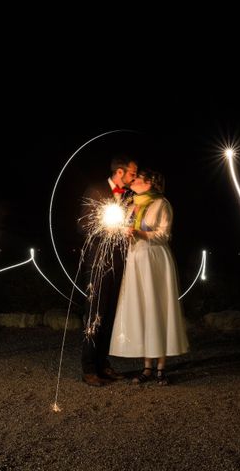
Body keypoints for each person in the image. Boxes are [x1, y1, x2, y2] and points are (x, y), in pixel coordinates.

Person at [109, 169, 189, 385]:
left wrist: (141, 233)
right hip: (135, 258)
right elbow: (124, 226)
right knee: (143, 308)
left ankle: (161, 367)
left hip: (155, 259)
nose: (132, 181)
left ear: (150, 184)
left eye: (137, 179)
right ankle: (146, 367)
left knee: (157, 307)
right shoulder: (133, 204)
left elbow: (164, 234)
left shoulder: (162, 204)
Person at [78, 155, 138, 386]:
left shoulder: (128, 196)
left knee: (111, 315)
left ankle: (103, 364)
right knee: (95, 315)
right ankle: (89, 368)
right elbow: (84, 224)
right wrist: (113, 231)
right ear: (120, 172)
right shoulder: (96, 189)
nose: (135, 177)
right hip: (98, 263)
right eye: (132, 172)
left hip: (119, 262)